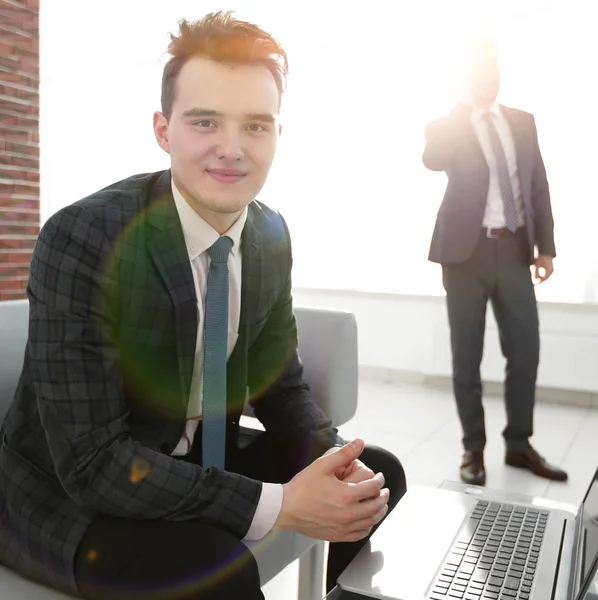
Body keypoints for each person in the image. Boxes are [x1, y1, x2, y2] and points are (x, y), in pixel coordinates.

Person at [0, 11, 406, 600]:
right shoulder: (84, 236)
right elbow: (92, 462)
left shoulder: (269, 234)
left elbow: (280, 386)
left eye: (256, 126)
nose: (232, 150)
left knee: (378, 480)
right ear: (163, 130)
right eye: (206, 121)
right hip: (65, 495)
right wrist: (281, 503)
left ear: (277, 135)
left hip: (192, 459)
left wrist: (336, 461)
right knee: (214, 569)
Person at [422, 37, 568, 487]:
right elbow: (432, 160)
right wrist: (458, 112)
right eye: (479, 72)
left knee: (525, 350)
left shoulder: (523, 122)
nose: (490, 78)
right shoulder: (449, 123)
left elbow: (537, 183)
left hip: (515, 251)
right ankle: (473, 449)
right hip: (465, 254)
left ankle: (519, 444)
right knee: (466, 356)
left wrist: (545, 246)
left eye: (494, 70)